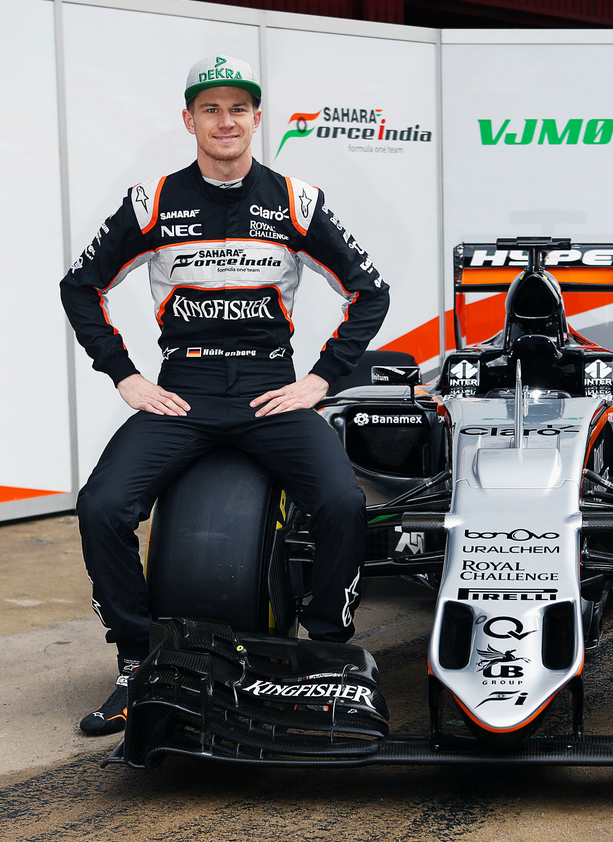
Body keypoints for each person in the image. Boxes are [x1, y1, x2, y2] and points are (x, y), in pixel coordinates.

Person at [60, 55, 390, 736]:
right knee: (101, 506)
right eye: (210, 109)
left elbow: (370, 291)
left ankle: (325, 648)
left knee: (341, 502)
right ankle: (136, 658)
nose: (225, 120)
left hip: (272, 389)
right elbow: (79, 286)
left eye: (238, 108)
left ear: (256, 117)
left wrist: (321, 379)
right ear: (189, 120)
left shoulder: (297, 200)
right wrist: (125, 375)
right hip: (184, 390)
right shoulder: (150, 202)